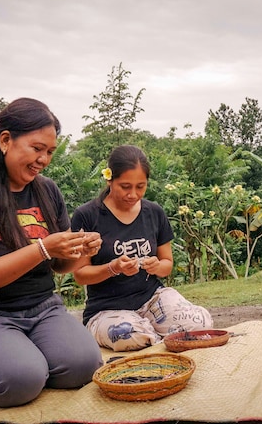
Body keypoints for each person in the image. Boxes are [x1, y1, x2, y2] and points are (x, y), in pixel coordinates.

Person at [0, 98, 104, 408]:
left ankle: (22, 355)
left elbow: (61, 265)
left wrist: (80, 248)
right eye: (36, 148)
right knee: (20, 381)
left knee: (85, 366)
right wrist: (41, 248)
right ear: (5, 141)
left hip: (42, 309)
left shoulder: (47, 189)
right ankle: (5, 362)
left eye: (50, 152)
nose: (44, 159)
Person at [71, 145, 213, 352]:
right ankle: (156, 338)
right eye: (125, 186)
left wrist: (156, 266)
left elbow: (167, 264)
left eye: (140, 186)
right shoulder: (87, 215)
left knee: (200, 323)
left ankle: (155, 337)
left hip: (152, 299)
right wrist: (113, 268)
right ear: (109, 179)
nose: (133, 194)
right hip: (106, 308)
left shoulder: (154, 213)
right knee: (128, 335)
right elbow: (80, 275)